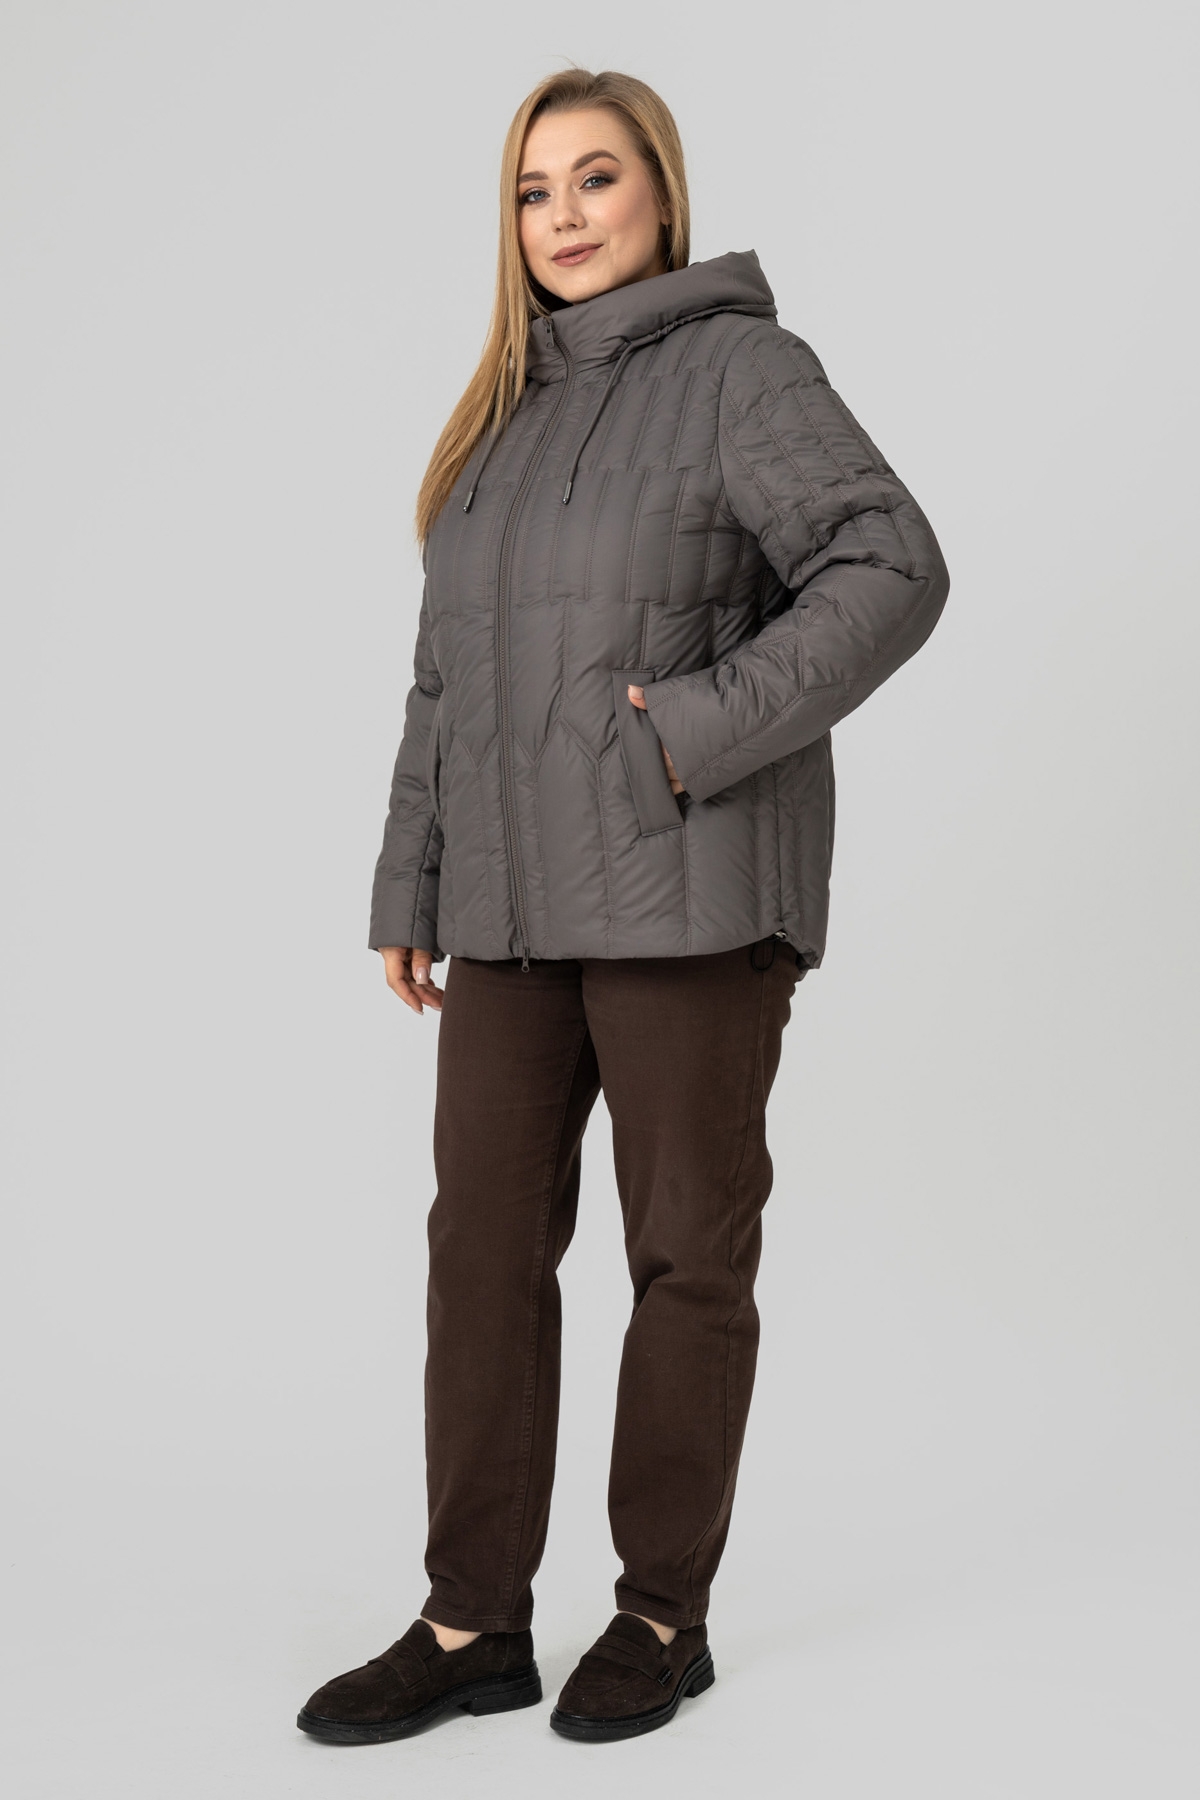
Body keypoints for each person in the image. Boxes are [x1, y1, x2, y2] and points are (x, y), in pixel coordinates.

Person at [296, 65, 950, 1747]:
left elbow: (891, 563)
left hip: (690, 900)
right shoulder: (501, 418)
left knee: (685, 1259)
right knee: (481, 1256)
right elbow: (445, 683)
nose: (565, 215)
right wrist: (411, 875)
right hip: (510, 914)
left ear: (661, 190)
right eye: (534, 190)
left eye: (595, 178)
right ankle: (472, 1623)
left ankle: (663, 1613)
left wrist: (691, 733)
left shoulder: (743, 369)